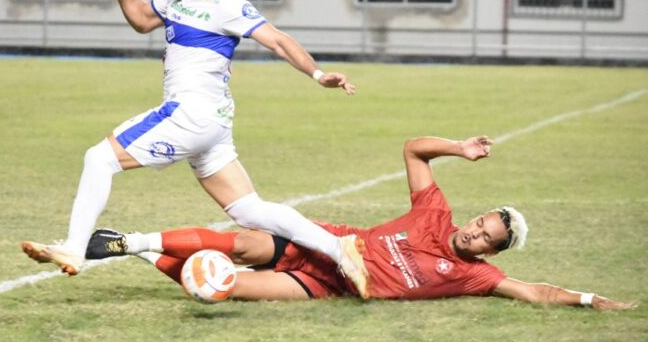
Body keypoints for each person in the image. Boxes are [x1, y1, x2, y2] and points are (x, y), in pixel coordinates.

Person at [22, 0, 369, 297]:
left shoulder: (227, 5)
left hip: (190, 115)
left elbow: (279, 41)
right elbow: (141, 20)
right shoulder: (175, 0)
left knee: (98, 158)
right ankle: (339, 250)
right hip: (211, 126)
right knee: (250, 211)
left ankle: (74, 248)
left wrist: (317, 74)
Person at [85, 135, 636, 310]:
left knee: (221, 287)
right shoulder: (434, 212)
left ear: (489, 253)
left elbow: (535, 293)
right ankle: (133, 238)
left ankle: (131, 249)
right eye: (481, 222)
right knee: (245, 244)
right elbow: (414, 151)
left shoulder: (476, 278)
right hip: (323, 245)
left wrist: (589, 300)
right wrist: (459, 149)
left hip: (324, 288)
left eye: (485, 238)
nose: (474, 232)